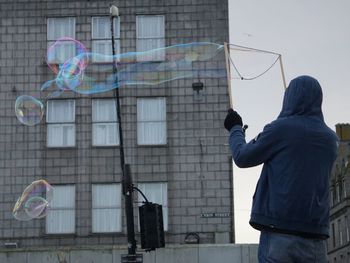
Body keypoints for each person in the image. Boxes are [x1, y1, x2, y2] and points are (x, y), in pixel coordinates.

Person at [224, 75, 339, 262]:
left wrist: (235, 128)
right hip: (316, 238)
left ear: (289, 98)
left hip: (279, 233)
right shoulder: (331, 139)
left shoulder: (280, 129)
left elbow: (243, 157)